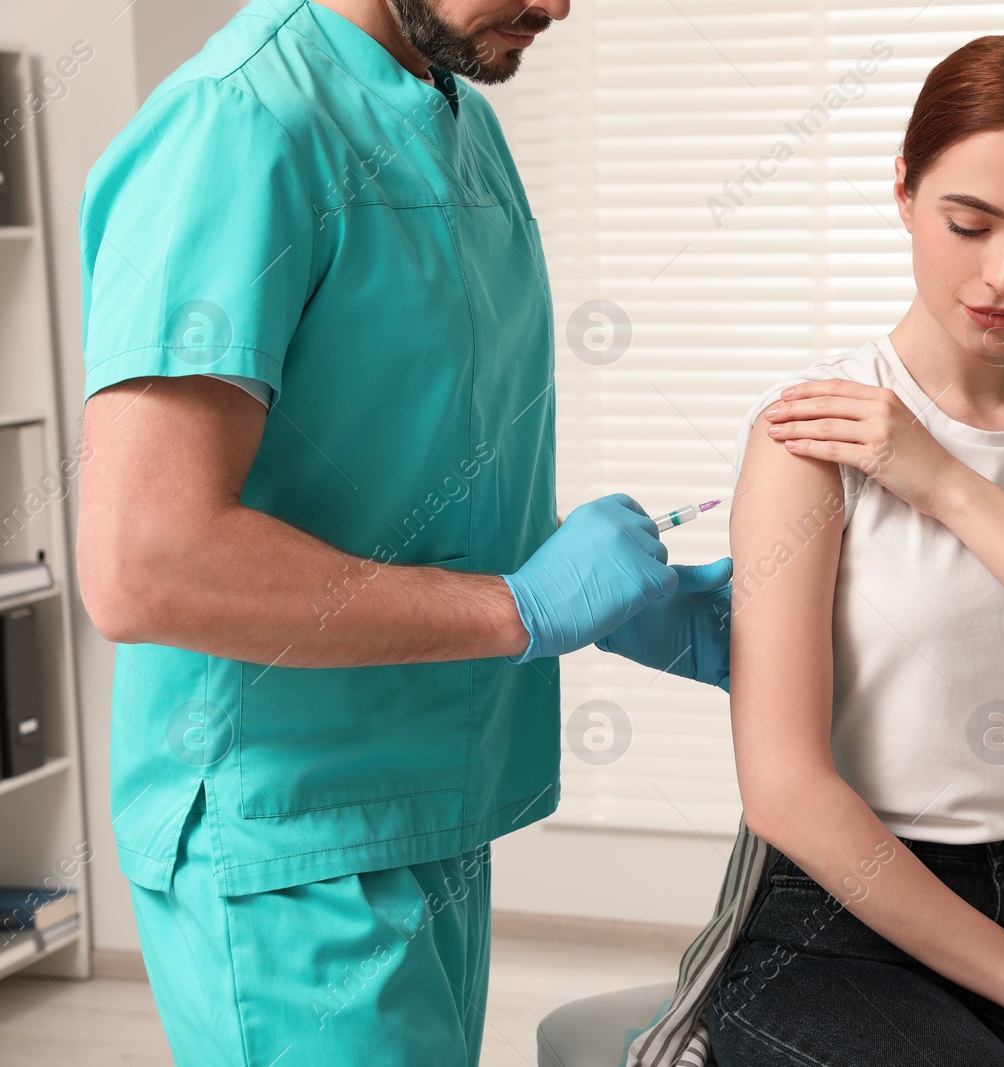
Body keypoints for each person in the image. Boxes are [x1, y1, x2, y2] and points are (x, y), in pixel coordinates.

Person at [74, 2, 730, 1065]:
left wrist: (612, 599)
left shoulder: (453, 109)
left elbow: (402, 456)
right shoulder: (238, 126)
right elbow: (147, 562)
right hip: (287, 831)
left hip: (426, 801)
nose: (558, 5)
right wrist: (520, 608)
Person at [626, 31, 1004, 1067]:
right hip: (841, 921)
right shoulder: (809, 433)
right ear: (905, 192)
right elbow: (782, 784)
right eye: (969, 223)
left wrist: (944, 481)